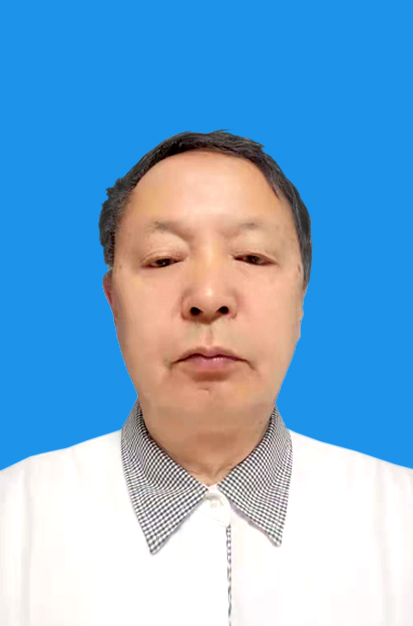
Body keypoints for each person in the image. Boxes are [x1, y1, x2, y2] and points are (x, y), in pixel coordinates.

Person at [0, 130, 412, 626]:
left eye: (252, 256)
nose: (209, 296)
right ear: (113, 301)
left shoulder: (401, 523)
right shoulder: (12, 524)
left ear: (301, 295)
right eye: (163, 259)